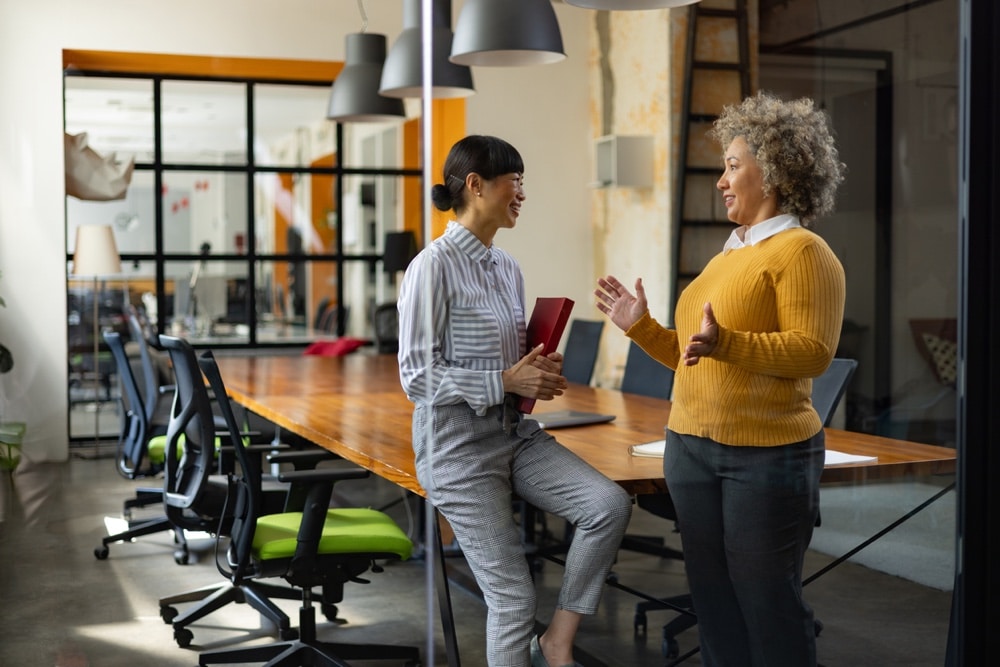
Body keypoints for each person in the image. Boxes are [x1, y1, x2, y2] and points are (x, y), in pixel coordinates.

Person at [595, 91, 846, 667]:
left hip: (766, 456)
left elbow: (812, 353)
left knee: (766, 603)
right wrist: (642, 328)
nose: (721, 180)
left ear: (776, 171)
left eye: (733, 165)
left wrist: (727, 342)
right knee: (713, 604)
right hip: (691, 447)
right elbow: (696, 355)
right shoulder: (729, 254)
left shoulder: (804, 251)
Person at [397, 135, 632, 667]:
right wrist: (506, 380)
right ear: (476, 186)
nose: (522, 192)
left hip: (515, 435)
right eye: (515, 181)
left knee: (607, 506)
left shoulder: (507, 267)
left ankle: (558, 640)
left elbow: (515, 365)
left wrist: (538, 373)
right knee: (513, 597)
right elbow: (416, 376)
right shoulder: (430, 267)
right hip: (457, 449)